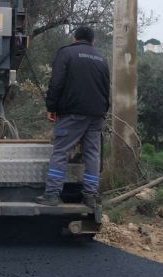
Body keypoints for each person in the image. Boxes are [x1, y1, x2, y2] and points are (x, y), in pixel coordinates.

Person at [35, 26, 110, 208]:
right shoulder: (101, 59)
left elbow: (56, 82)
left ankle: (52, 194)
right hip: (96, 115)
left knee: (60, 151)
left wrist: (51, 107)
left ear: (74, 38)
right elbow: (106, 88)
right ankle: (90, 196)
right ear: (92, 41)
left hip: (72, 114)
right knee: (92, 154)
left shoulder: (67, 53)